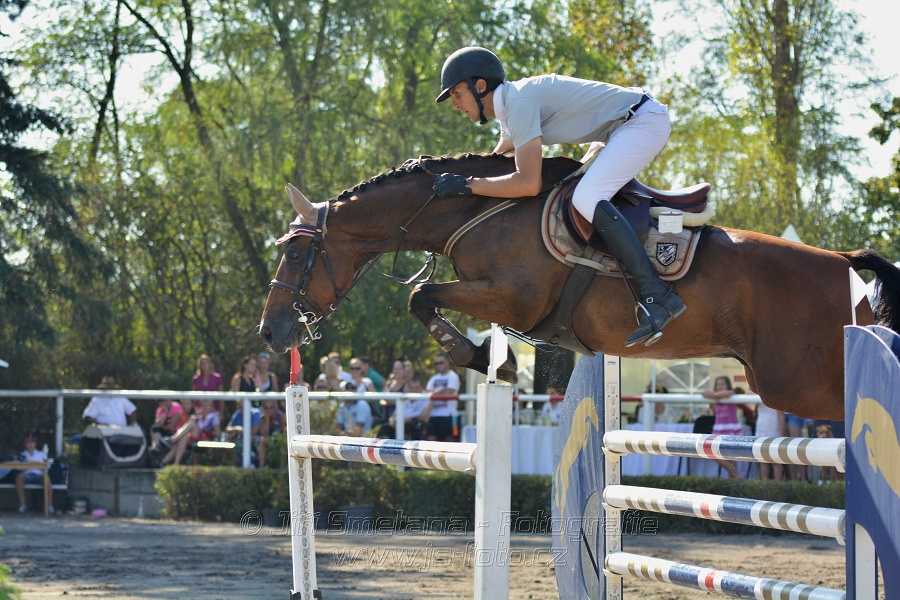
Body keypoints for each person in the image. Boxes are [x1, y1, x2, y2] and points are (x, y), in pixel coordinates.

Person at [433, 46, 683, 347]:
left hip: (642, 122)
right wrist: (457, 182)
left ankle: (658, 294)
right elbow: (499, 162)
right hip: (622, 128)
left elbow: (527, 183)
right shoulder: (511, 110)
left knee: (586, 197)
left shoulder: (519, 104)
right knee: (583, 193)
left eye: (457, 94)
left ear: (480, 86)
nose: (456, 105)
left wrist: (466, 185)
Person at [701, 376, 743, 479]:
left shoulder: (730, 395)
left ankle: (733, 483)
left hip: (731, 429)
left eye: (722, 384)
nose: (719, 386)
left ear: (728, 385)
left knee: (731, 457)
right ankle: (734, 473)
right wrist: (715, 395)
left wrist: (714, 396)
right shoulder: (716, 397)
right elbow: (703, 392)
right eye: (717, 385)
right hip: (719, 429)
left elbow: (727, 393)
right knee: (711, 451)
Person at [160, 399, 221, 466]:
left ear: (211, 407)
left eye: (207, 406)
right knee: (184, 437)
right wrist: (194, 418)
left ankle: (172, 440)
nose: (205, 408)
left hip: (206, 439)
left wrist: (208, 432)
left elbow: (218, 434)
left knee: (191, 424)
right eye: (204, 406)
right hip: (196, 438)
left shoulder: (213, 418)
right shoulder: (198, 417)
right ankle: (173, 463)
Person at [425, 353, 460, 442]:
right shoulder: (433, 378)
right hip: (433, 415)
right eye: (436, 363)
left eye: (441, 362)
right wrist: (442, 391)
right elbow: (428, 393)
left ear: (447, 363)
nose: (439, 365)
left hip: (449, 415)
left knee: (449, 442)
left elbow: (449, 392)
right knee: (431, 442)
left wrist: (435, 394)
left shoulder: (453, 376)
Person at [15, 434, 53, 514]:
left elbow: (47, 466)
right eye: (28, 443)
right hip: (27, 475)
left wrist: (36, 464)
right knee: (19, 478)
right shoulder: (22, 455)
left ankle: (49, 506)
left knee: (47, 478)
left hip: (39, 474)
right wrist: (29, 466)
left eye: (32, 443)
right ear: (25, 444)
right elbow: (18, 468)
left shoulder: (41, 454)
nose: (30, 445)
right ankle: (23, 505)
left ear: (35, 444)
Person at [754, 403, 786, 481]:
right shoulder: (760, 394)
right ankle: (765, 486)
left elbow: (781, 416)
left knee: (776, 461)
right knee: (763, 461)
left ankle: (777, 486)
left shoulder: (776, 396)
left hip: (774, 431)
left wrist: (781, 435)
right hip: (761, 429)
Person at [257, 400, 285, 468]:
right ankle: (262, 466)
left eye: (271, 407)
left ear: (275, 408)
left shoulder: (280, 416)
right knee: (262, 442)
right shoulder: (262, 418)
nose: (269, 410)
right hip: (268, 438)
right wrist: (267, 419)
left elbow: (283, 430)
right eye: (266, 408)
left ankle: (282, 468)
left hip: (279, 438)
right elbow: (264, 434)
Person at [784, 412, 809, 482]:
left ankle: (803, 480)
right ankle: (794, 481)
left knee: (795, 447)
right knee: (788, 449)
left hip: (793, 413)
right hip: (782, 413)